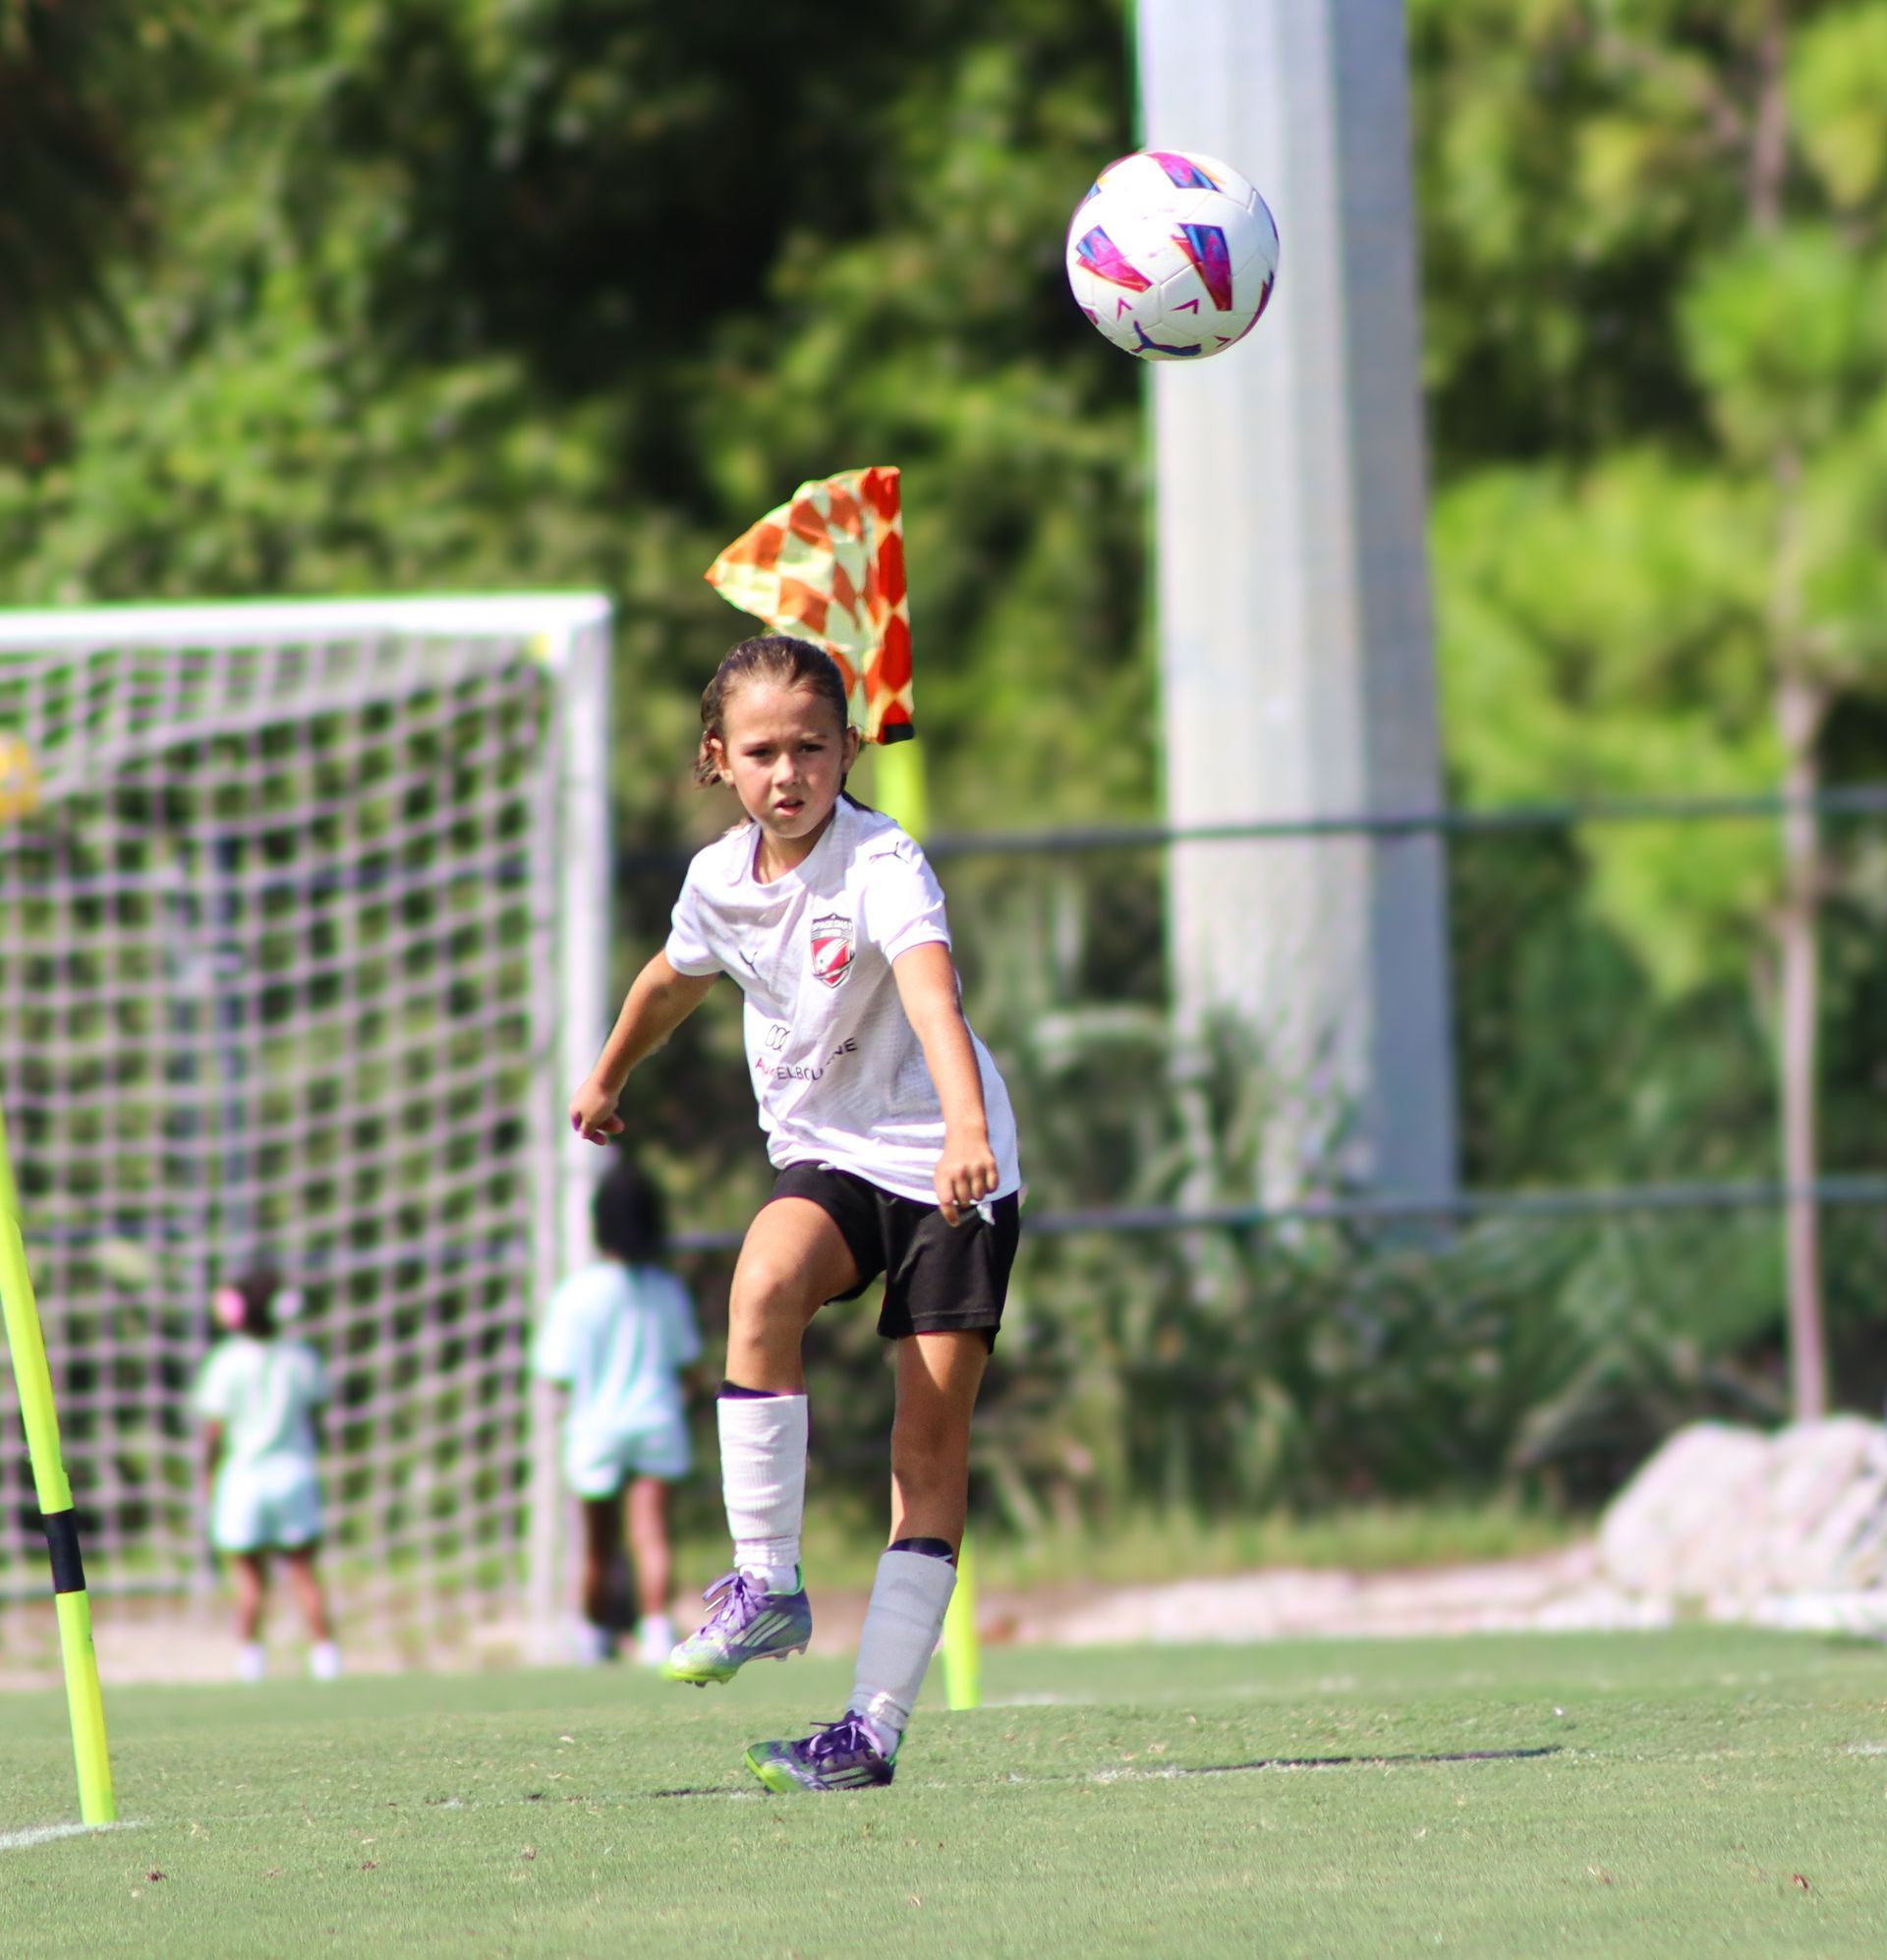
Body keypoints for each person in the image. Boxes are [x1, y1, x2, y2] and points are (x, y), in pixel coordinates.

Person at [568, 633, 1022, 1795]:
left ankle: (868, 1730)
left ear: (849, 748)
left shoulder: (884, 864)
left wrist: (967, 1130)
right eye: (763, 750)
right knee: (761, 1281)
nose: (790, 772)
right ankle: (765, 1583)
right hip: (830, 1150)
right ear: (719, 759)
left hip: (948, 1164)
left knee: (924, 1451)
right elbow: (671, 977)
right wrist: (610, 1072)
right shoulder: (720, 879)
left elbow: (933, 993)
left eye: (812, 747)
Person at [533, 1157, 704, 1666]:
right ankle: (655, 1632)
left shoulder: (576, 1293)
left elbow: (555, 1372)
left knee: (597, 1546)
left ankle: (592, 1637)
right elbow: (686, 1364)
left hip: (595, 1429)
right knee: (651, 1533)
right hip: (655, 1421)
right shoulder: (666, 1290)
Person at [193, 1265, 340, 1682]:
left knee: (250, 1579)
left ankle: (251, 1660)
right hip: (293, 1471)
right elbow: (317, 1416)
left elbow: (214, 1430)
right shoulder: (300, 1357)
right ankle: (326, 1658)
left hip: (243, 1477)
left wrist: (208, 1474)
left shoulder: (226, 1362)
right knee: (303, 1571)